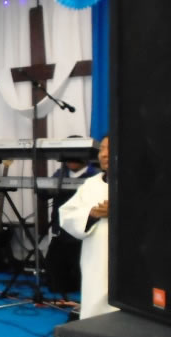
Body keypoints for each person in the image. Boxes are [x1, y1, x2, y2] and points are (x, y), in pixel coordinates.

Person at [59, 136, 117, 319]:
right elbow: (67, 214)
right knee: (96, 303)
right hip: (96, 259)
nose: (104, 154)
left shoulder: (140, 184)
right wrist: (92, 214)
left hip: (128, 263)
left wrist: (119, 210)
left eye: (110, 149)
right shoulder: (91, 184)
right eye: (102, 149)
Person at [44, 146, 100, 295]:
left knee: (84, 281)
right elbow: (45, 194)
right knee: (54, 282)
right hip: (61, 232)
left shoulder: (95, 176)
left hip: (85, 235)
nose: (71, 160)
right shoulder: (59, 174)